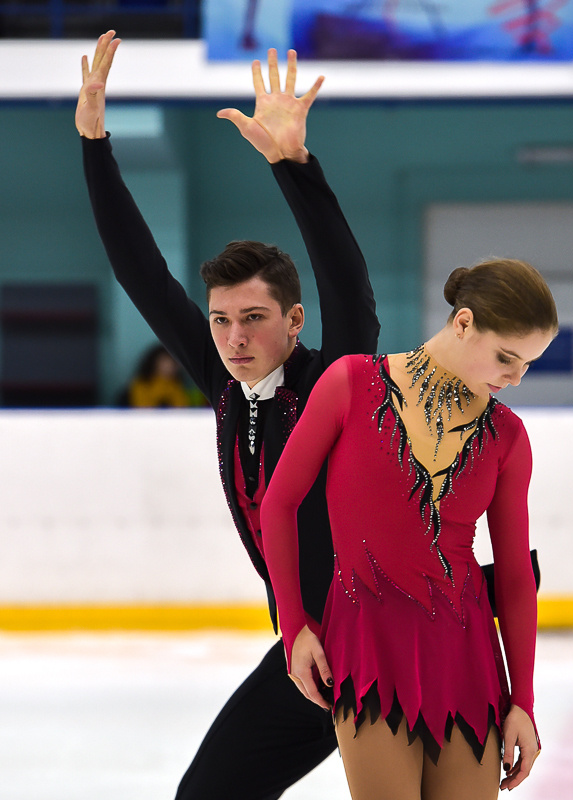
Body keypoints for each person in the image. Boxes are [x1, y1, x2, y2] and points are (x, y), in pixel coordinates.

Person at [76, 32, 379, 799]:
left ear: (296, 320)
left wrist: (293, 167)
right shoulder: (221, 378)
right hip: (304, 653)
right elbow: (140, 271)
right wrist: (93, 145)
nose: (235, 338)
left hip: (383, 651)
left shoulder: (334, 385)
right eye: (220, 321)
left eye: (253, 318)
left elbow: (351, 289)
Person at [261, 258, 558, 799]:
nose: (516, 379)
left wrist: (524, 703)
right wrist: (295, 626)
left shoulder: (508, 438)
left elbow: (515, 576)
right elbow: (278, 503)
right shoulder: (350, 383)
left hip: (468, 660)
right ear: (464, 323)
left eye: (528, 365)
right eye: (507, 358)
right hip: (368, 645)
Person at [118, 343, 193, 408]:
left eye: (174, 361)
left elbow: (182, 409)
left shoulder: (178, 386)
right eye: (165, 360)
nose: (171, 365)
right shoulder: (141, 385)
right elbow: (142, 409)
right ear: (154, 362)